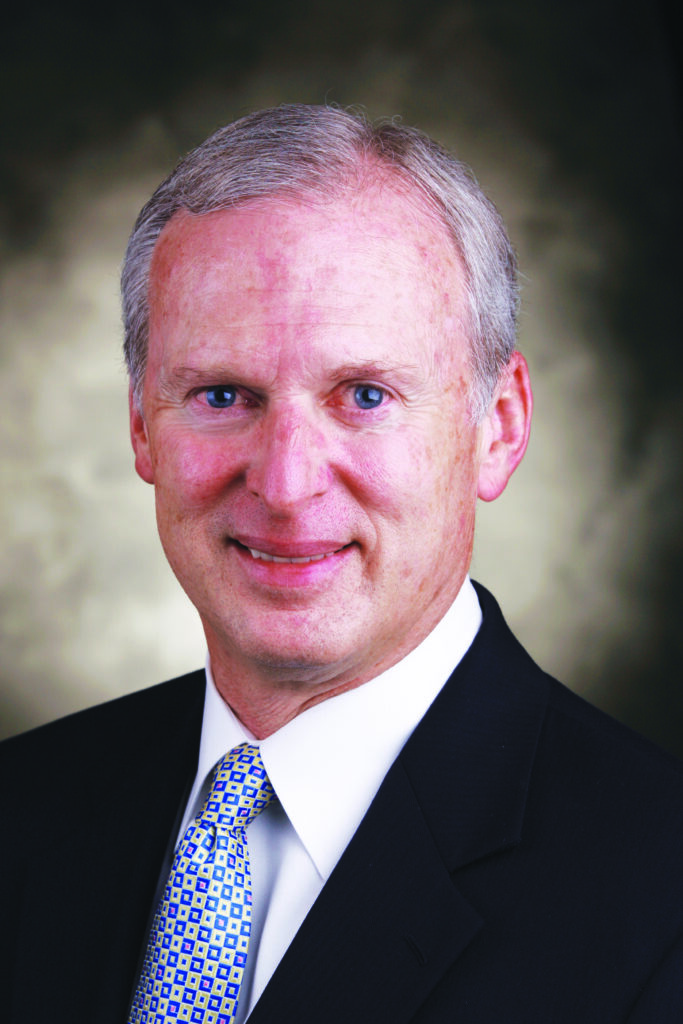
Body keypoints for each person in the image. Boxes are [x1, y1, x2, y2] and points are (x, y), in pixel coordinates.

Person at [1, 104, 681, 1024]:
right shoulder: (22, 809)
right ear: (139, 426)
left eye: (364, 395)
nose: (285, 484)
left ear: (498, 427)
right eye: (222, 395)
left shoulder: (657, 895)